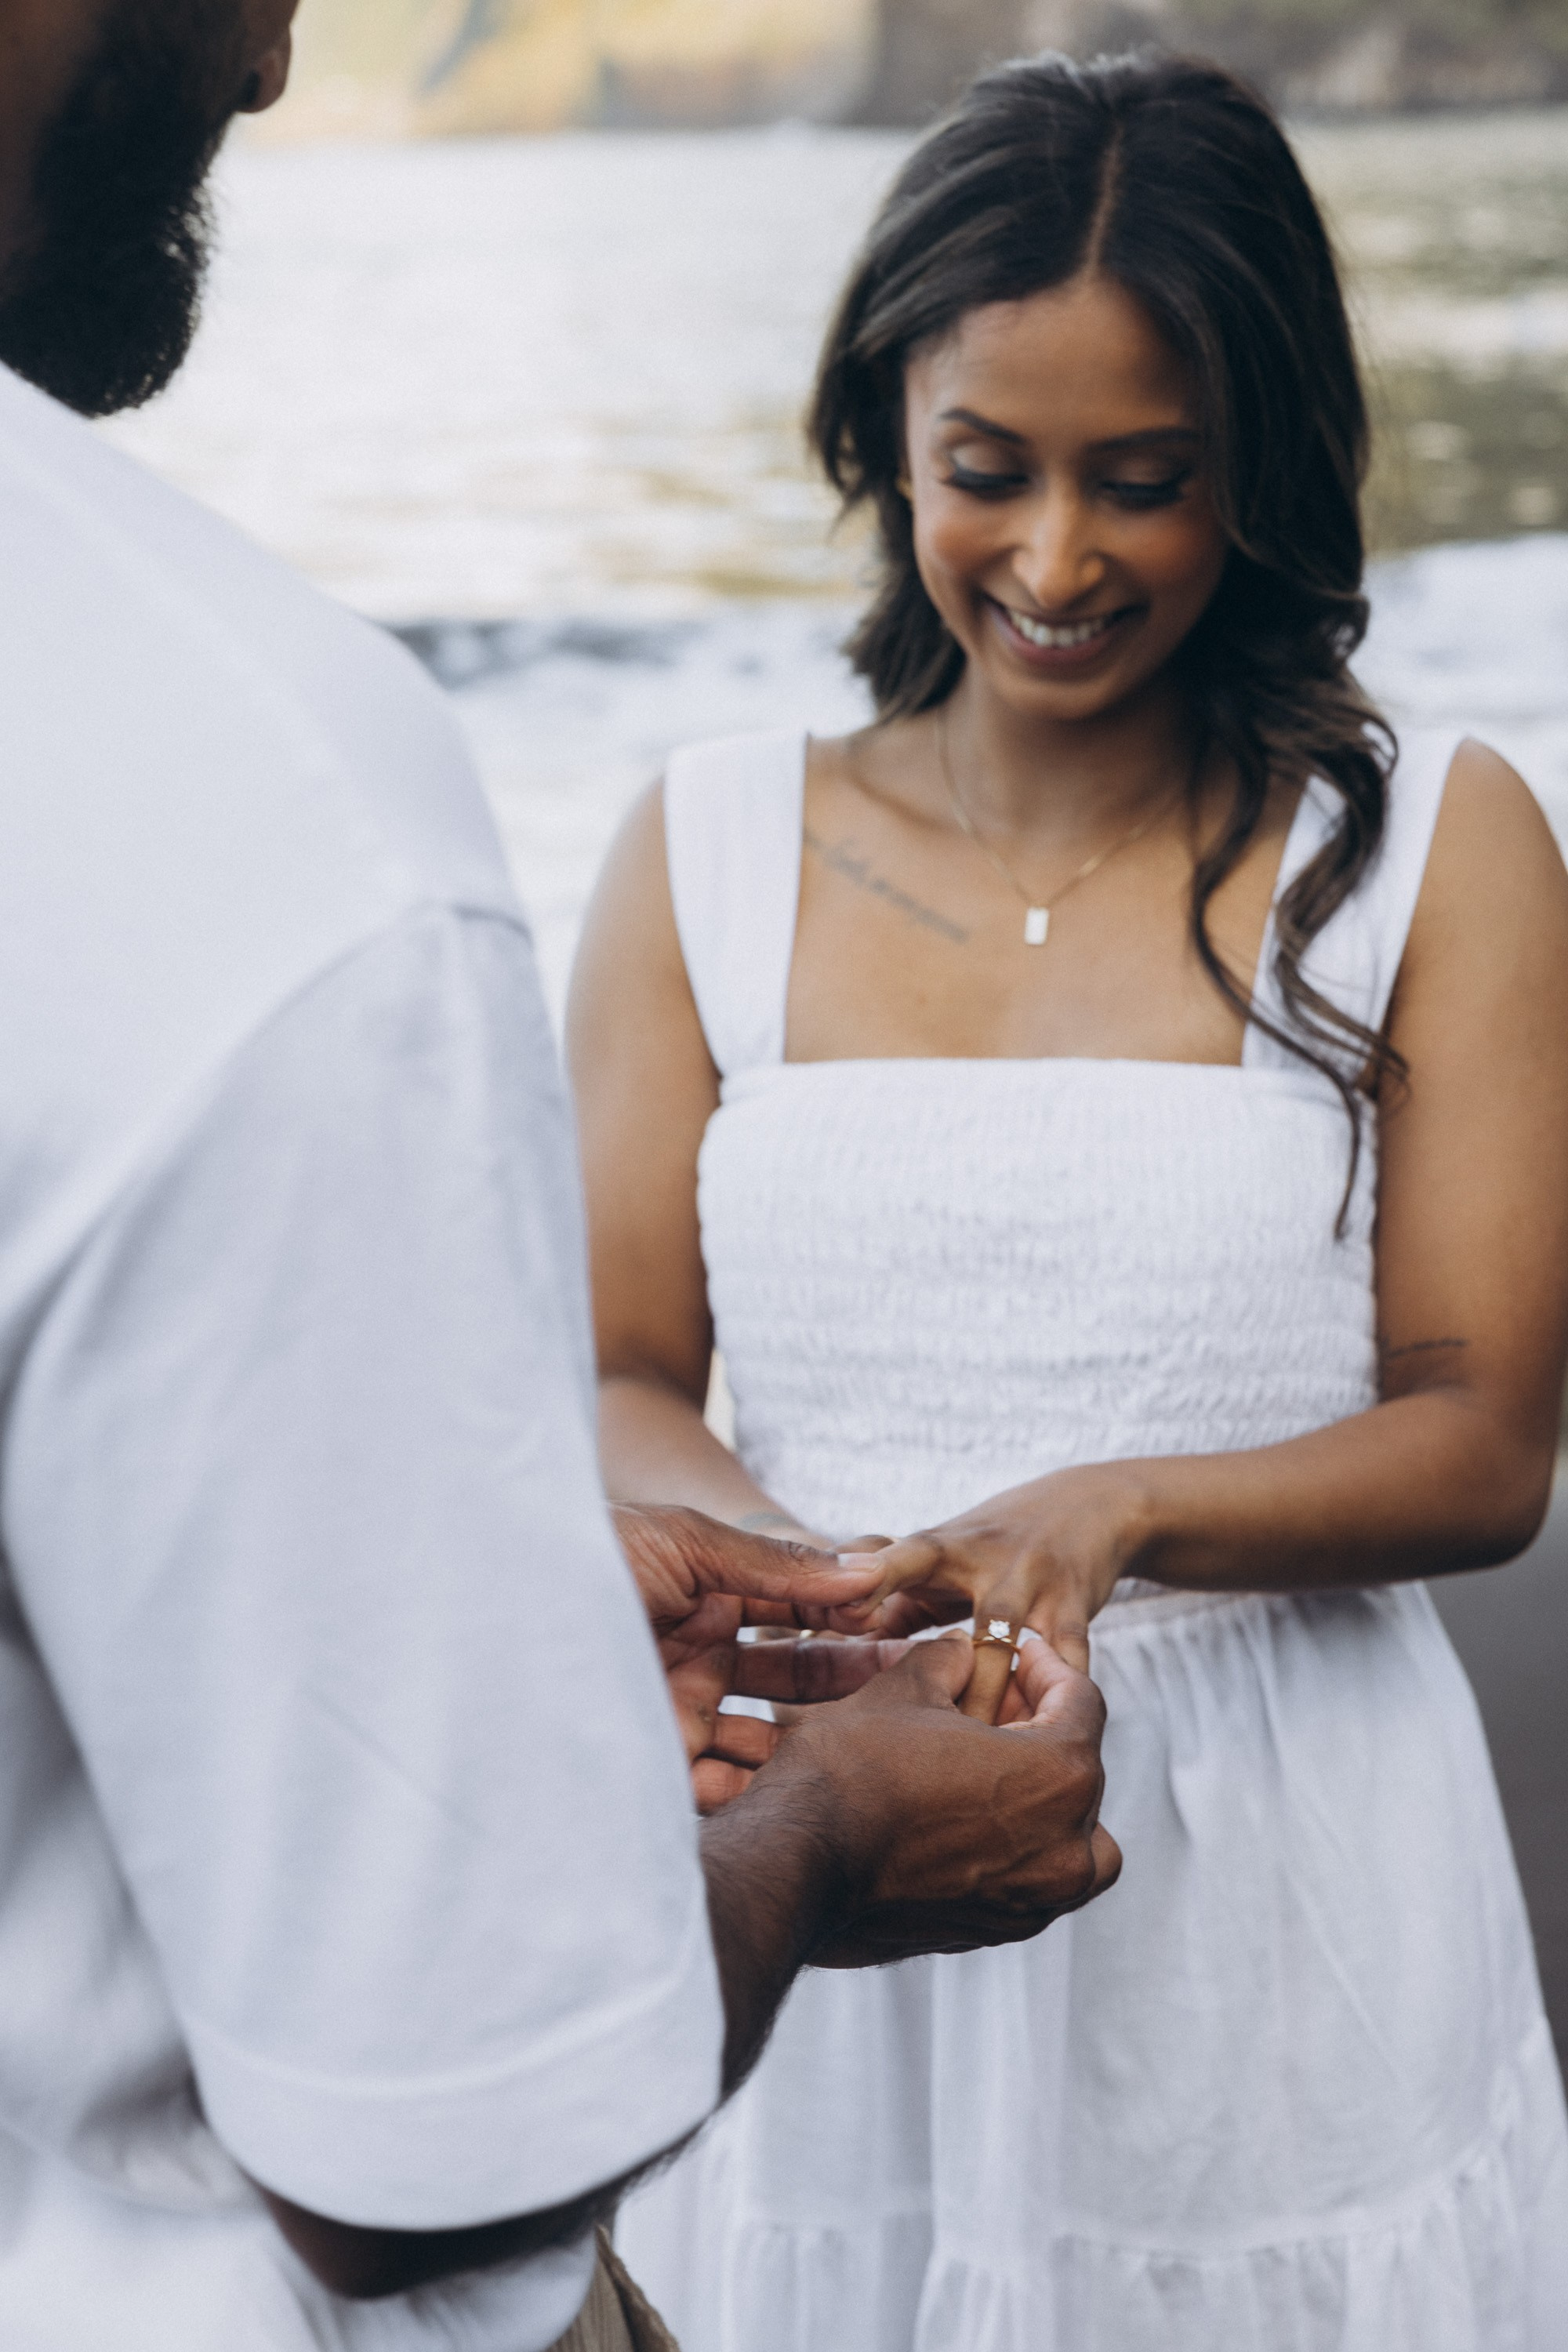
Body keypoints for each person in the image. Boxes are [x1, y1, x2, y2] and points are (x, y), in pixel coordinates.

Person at [0, 9, 1121, 2349]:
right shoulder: (239, 810)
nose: (280, 64)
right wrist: (817, 1841)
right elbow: (436, 2160)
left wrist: (487, 1612)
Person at [570, 49, 1568, 2351]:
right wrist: (829, 1611)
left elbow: (1486, 1434)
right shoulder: (705, 843)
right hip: (827, 1835)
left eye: (1147, 483)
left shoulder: (1438, 849)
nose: (1053, 559)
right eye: (983, 474)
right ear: (880, 441)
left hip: (1284, 1903)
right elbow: (621, 1365)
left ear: (1267, 472)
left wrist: (1106, 1513)